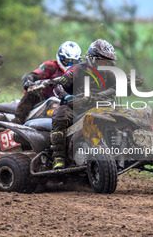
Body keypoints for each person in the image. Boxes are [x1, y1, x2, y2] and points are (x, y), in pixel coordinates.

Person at [50, 39, 118, 169]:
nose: (105, 64)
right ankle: (58, 158)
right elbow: (57, 85)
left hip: (100, 105)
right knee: (60, 115)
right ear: (92, 58)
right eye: (102, 61)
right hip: (76, 106)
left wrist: (130, 82)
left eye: (108, 61)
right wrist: (68, 97)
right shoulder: (77, 69)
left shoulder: (109, 73)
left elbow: (120, 86)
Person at [12, 41, 82, 124]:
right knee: (33, 92)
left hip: (64, 102)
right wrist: (28, 80)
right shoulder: (51, 66)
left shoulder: (80, 73)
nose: (70, 64)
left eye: (74, 61)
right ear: (61, 58)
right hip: (43, 100)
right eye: (68, 60)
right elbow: (35, 74)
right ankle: (18, 120)